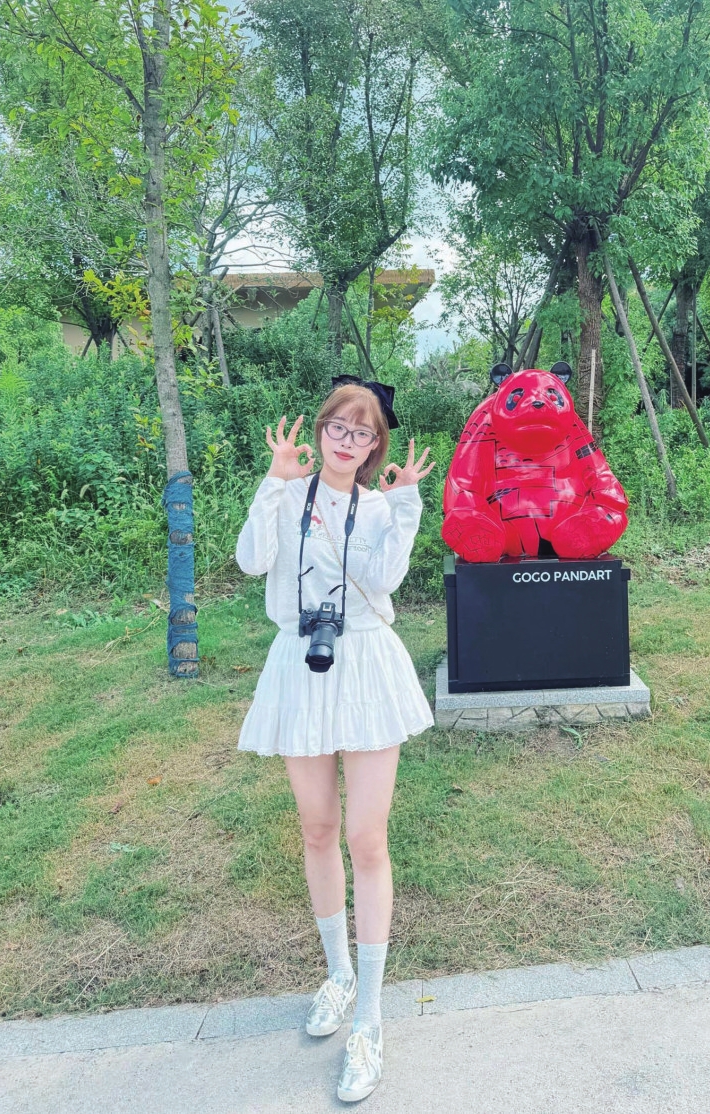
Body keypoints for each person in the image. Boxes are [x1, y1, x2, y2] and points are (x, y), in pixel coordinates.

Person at [234, 379, 435, 1103]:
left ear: (376, 444)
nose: (348, 440)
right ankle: (338, 974)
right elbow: (252, 561)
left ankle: (370, 1020)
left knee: (365, 837)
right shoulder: (287, 494)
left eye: (362, 432)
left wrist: (403, 506)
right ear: (319, 431)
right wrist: (275, 483)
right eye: (338, 427)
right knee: (317, 829)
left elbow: (384, 578)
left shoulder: (378, 506)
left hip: (367, 665)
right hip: (300, 664)